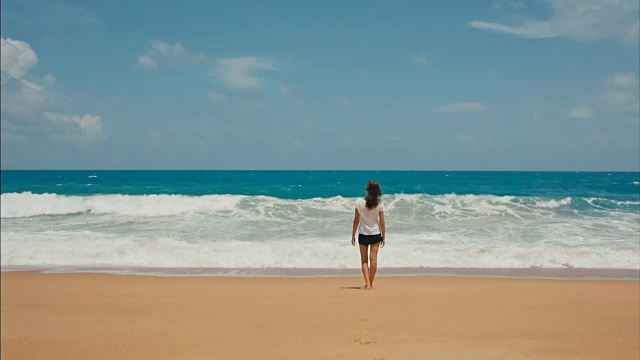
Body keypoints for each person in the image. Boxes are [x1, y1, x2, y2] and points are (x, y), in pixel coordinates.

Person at [351, 180, 385, 290]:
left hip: (363, 234)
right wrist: (384, 236)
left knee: (364, 260)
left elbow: (356, 220)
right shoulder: (379, 203)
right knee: (373, 259)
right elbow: (382, 222)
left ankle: (367, 284)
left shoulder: (359, 202)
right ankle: (370, 283)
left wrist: (353, 235)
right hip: (375, 234)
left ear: (367, 190)